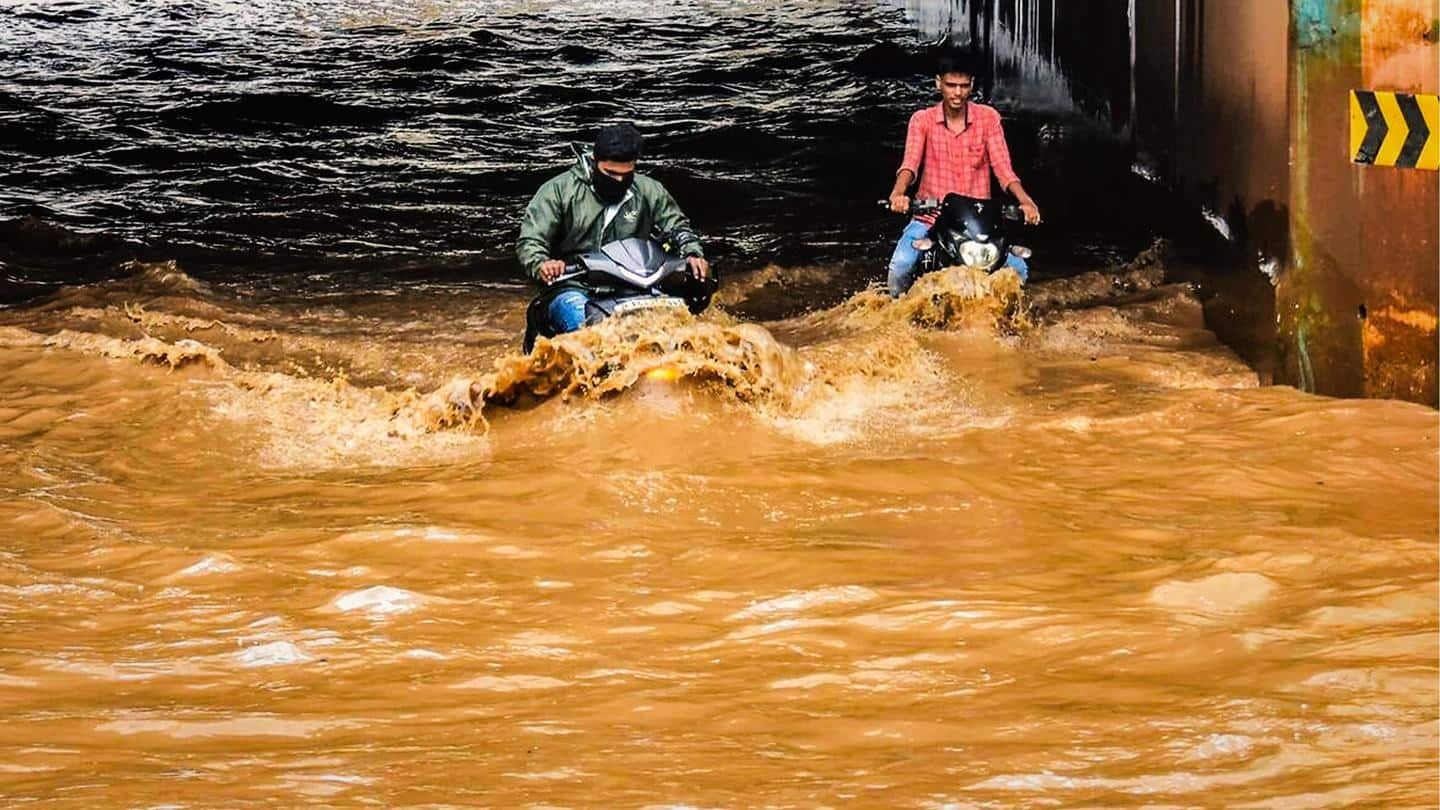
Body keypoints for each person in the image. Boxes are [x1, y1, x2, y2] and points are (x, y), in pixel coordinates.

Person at [516, 122, 710, 337]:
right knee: (584, 327)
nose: (618, 181)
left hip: (636, 285)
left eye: (625, 175)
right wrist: (543, 264)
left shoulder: (649, 190)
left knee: (679, 327)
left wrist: (692, 254)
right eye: (610, 174)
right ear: (594, 161)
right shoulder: (558, 191)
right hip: (575, 287)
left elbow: (677, 226)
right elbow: (531, 241)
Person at [885, 52, 1042, 297]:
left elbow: (1003, 169)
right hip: (931, 215)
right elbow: (910, 165)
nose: (957, 93)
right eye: (951, 85)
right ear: (938, 83)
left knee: (1018, 270)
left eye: (963, 86)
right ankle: (897, 320)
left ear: (972, 86)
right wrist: (898, 193)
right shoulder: (922, 121)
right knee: (901, 266)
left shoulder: (988, 119)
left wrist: (1025, 201)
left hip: (979, 222)